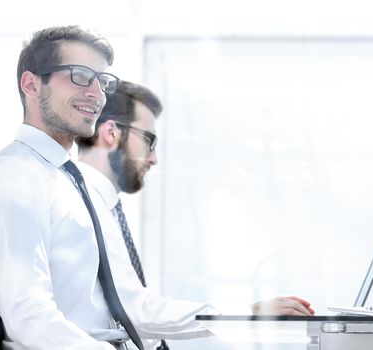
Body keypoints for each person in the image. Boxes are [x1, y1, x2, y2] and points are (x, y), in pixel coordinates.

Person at [75, 80, 315, 348]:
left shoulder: (99, 204)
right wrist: (249, 313)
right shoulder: (80, 204)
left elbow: (125, 313)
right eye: (149, 141)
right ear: (111, 133)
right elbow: (137, 311)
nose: (153, 159)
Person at [0, 25, 132, 349]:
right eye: (80, 75)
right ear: (31, 84)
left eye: (102, 81)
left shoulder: (69, 178)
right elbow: (29, 316)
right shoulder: (10, 177)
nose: (97, 94)